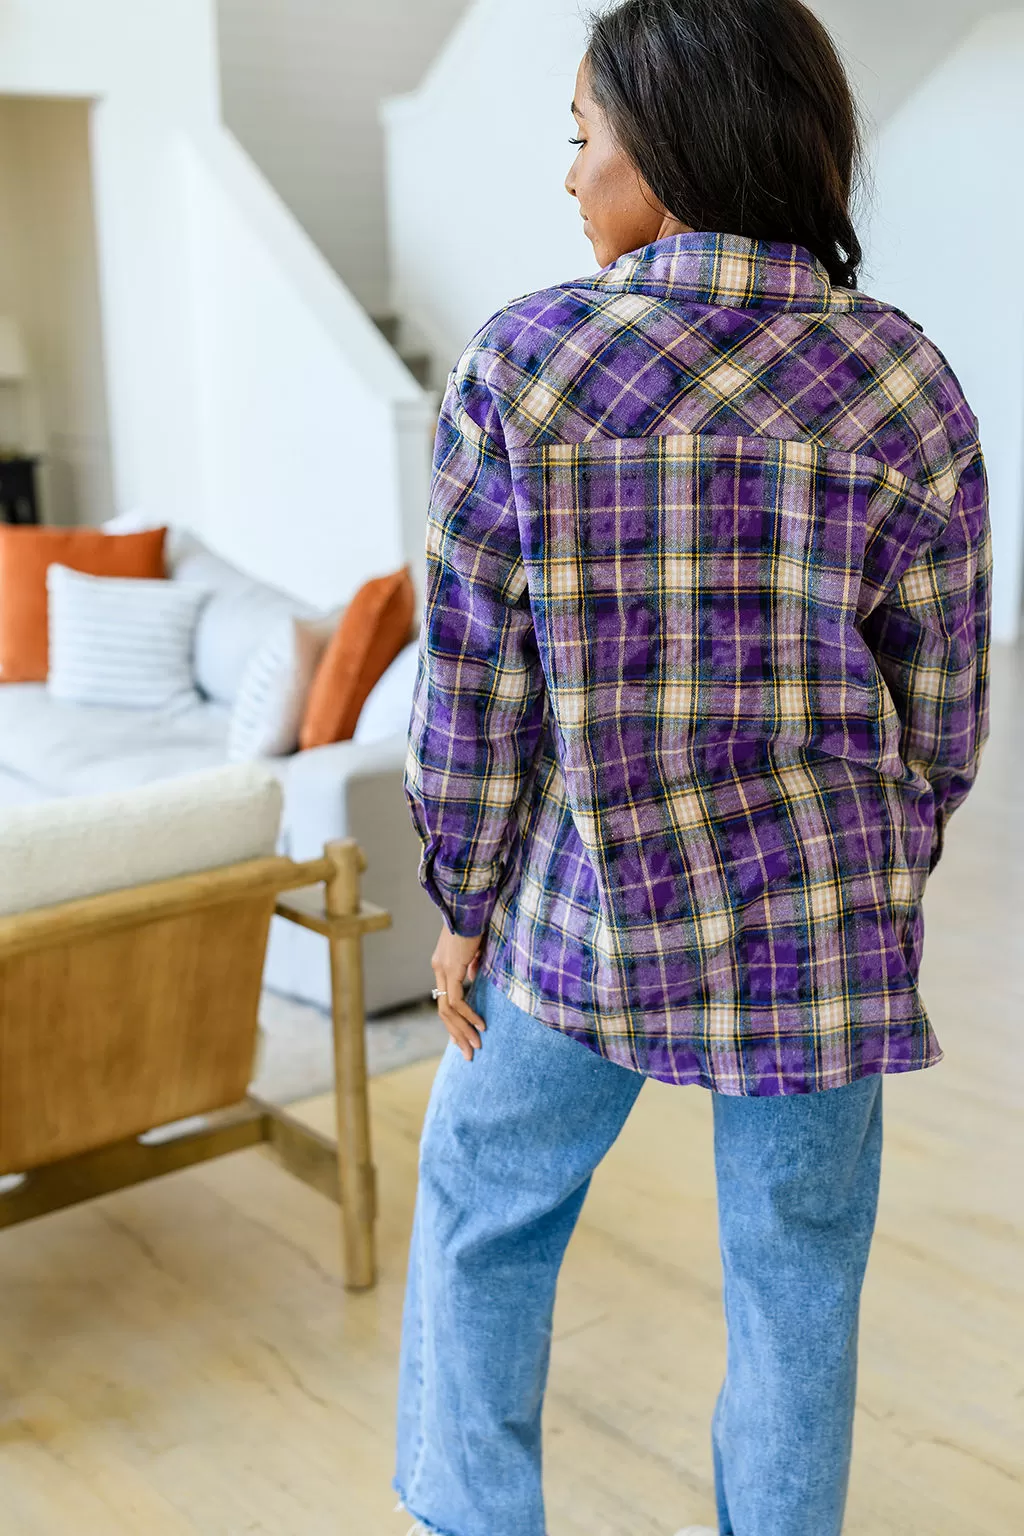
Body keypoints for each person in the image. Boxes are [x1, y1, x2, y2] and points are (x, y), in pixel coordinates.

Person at [396, 1, 992, 1532]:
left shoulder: (525, 364)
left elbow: (476, 691)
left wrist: (460, 896)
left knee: (484, 1208)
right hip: (822, 931)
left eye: (583, 139)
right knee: (799, 1279)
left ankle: (475, 1519)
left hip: (581, 912)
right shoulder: (903, 380)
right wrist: (869, 864)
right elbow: (945, 705)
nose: (572, 177)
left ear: (668, 142)